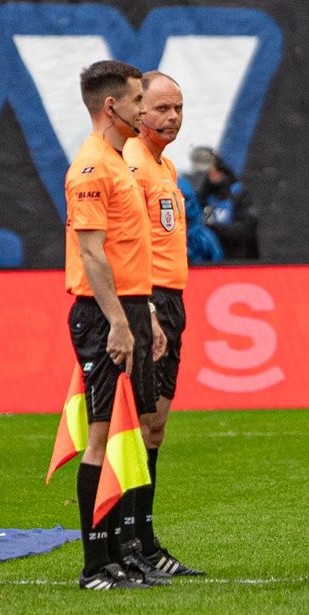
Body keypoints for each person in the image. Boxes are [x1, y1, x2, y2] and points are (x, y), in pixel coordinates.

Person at [64, 60, 166, 591]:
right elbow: (91, 254)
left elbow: (125, 250)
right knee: (102, 437)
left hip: (129, 308)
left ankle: (119, 556)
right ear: (112, 106)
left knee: (125, 433)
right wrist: (117, 324)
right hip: (103, 314)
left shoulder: (115, 160)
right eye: (136, 100)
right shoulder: (90, 167)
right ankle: (93, 565)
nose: (144, 109)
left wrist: (144, 312)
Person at [121, 72, 204, 578]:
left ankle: (145, 541)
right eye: (161, 109)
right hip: (147, 302)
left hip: (171, 300)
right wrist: (146, 307)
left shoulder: (165, 165)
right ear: (138, 111)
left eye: (178, 107)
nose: (172, 117)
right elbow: (127, 241)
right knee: (134, 425)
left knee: (154, 427)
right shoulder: (133, 163)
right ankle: (128, 543)